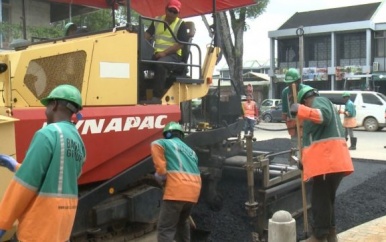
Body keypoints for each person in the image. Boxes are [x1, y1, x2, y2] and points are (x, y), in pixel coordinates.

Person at [0, 84, 86, 241]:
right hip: (61, 229)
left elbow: (24, 185)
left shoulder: (47, 134)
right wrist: (16, 166)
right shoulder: (77, 140)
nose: (45, 111)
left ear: (54, 105)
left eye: (46, 106)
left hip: (38, 228)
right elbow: (58, 178)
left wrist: (3, 223)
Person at [290, 86, 354, 242]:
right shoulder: (311, 117)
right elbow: (312, 141)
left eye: (302, 104)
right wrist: (303, 160)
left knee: (319, 201)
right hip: (330, 162)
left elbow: (323, 116)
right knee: (327, 199)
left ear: (305, 100)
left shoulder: (320, 101)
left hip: (328, 162)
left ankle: (319, 237)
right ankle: (331, 234)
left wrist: (301, 109)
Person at [150, 122, 201, 242]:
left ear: (167, 134)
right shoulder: (191, 151)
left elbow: (155, 144)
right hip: (193, 192)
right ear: (181, 135)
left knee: (166, 228)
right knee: (182, 223)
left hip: (177, 190)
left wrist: (160, 175)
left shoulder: (165, 142)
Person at [144, 0, 189, 103]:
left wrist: (164, 53)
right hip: (157, 54)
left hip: (174, 56)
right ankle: (141, 93)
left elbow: (180, 44)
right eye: (170, 10)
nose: (172, 14)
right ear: (166, 9)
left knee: (161, 64)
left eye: (175, 12)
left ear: (178, 14)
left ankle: (156, 97)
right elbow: (146, 36)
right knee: (141, 64)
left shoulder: (181, 24)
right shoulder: (157, 20)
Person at [281, 68, 307, 149]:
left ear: (298, 81)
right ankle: (295, 158)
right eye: (288, 84)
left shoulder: (305, 90)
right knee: (295, 146)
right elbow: (284, 112)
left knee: (305, 146)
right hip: (292, 124)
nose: (290, 85)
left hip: (305, 124)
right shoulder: (285, 92)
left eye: (292, 83)